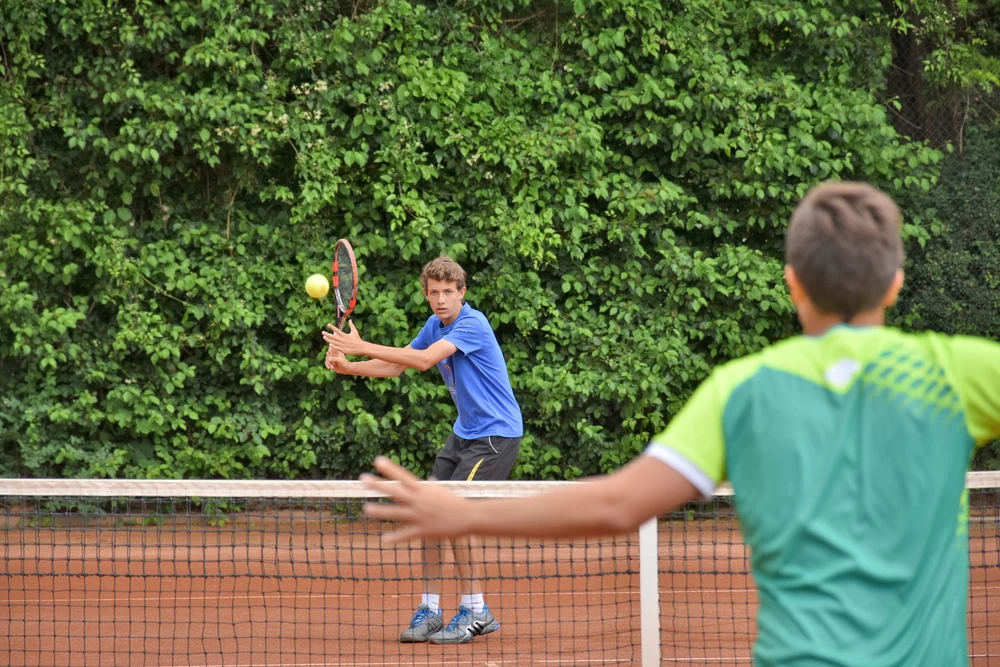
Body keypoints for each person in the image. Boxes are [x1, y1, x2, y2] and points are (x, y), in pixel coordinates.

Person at [358, 182, 1000, 666]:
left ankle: (469, 608)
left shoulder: (742, 390)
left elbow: (617, 504)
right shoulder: (959, 372)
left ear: (792, 283)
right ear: (895, 284)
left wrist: (461, 513)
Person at [323, 255, 523, 645]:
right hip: (464, 434)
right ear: (426, 294)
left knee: (455, 516)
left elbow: (423, 360)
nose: (441, 300)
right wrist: (351, 366)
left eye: (448, 292)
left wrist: (361, 345)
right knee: (430, 513)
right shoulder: (434, 324)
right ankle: (430, 609)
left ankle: (476, 610)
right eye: (434, 293)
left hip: (496, 436)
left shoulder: (472, 323)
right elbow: (395, 365)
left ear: (462, 292)